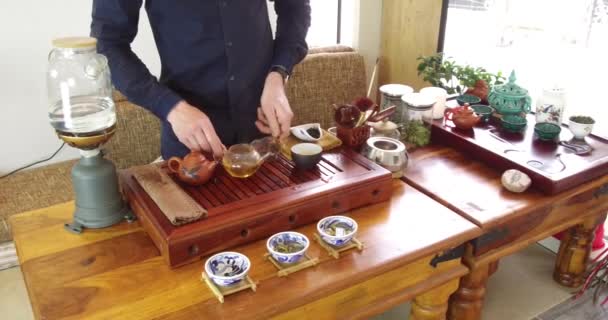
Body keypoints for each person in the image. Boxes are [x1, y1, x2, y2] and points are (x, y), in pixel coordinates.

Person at [91, 0, 311, 160]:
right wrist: (170, 107)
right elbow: (108, 45)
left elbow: (295, 7)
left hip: (263, 132)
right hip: (192, 147)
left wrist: (278, 74)